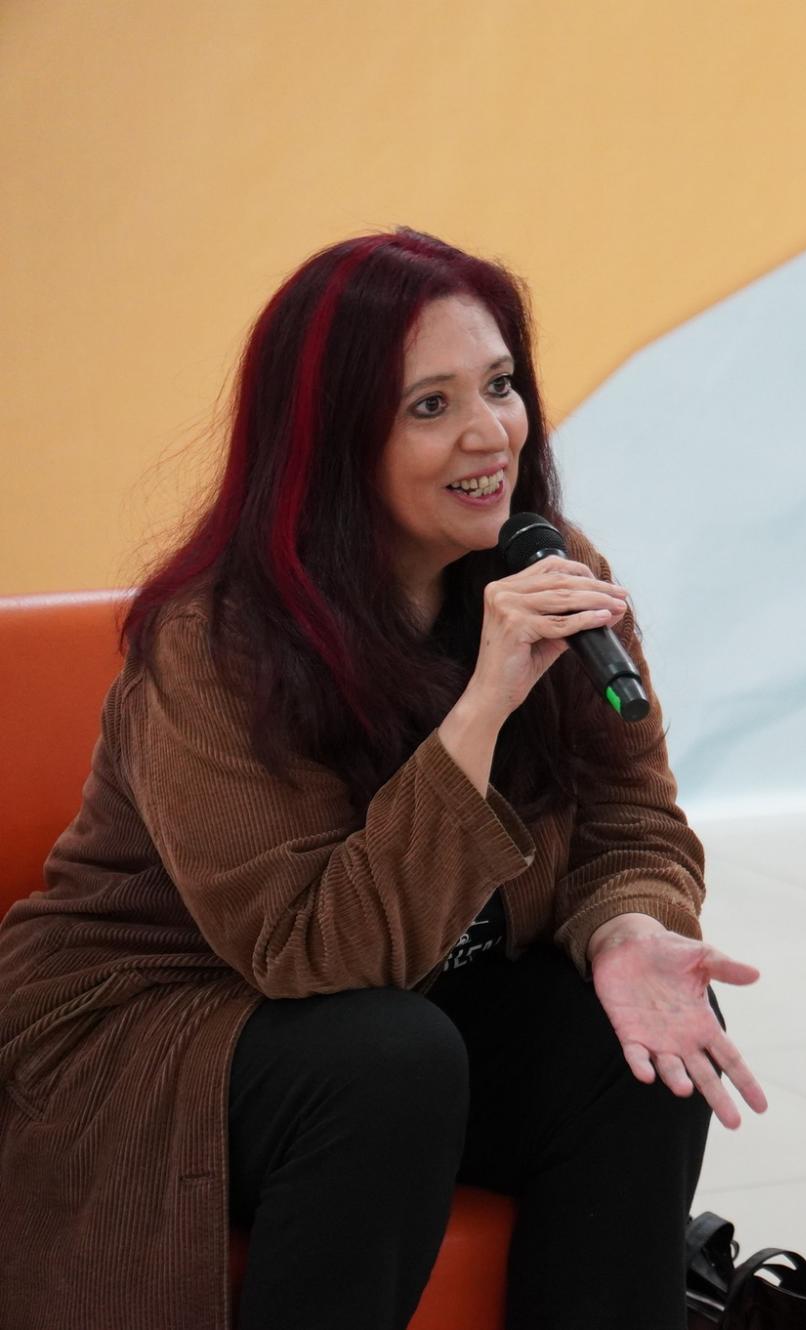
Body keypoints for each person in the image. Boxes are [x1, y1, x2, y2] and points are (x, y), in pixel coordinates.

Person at [0, 230, 767, 1330]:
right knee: (386, 1055)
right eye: (428, 406)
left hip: (401, 1009)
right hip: (155, 1028)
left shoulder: (551, 570)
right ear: (330, 442)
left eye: (500, 386)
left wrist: (629, 929)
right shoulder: (213, 645)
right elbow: (311, 954)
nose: (488, 432)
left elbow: (629, 815)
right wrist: (483, 700)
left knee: (631, 1047)